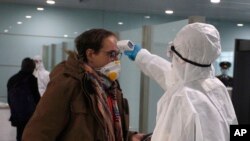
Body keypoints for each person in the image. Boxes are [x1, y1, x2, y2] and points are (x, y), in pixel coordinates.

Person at [22, 29, 144, 141]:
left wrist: (130, 137)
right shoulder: (68, 83)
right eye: (111, 54)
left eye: (118, 55)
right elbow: (37, 134)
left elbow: (105, 129)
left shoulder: (110, 87)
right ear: (90, 54)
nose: (116, 60)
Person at [123, 23, 238, 141]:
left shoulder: (181, 98)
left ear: (180, 57)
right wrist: (141, 56)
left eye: (173, 52)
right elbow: (172, 75)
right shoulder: (217, 87)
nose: (172, 58)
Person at [7, 57, 40, 141]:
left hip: (17, 115)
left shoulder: (12, 79)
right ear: (32, 68)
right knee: (30, 136)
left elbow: (9, 99)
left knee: (19, 134)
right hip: (30, 115)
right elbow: (37, 99)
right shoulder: (32, 80)